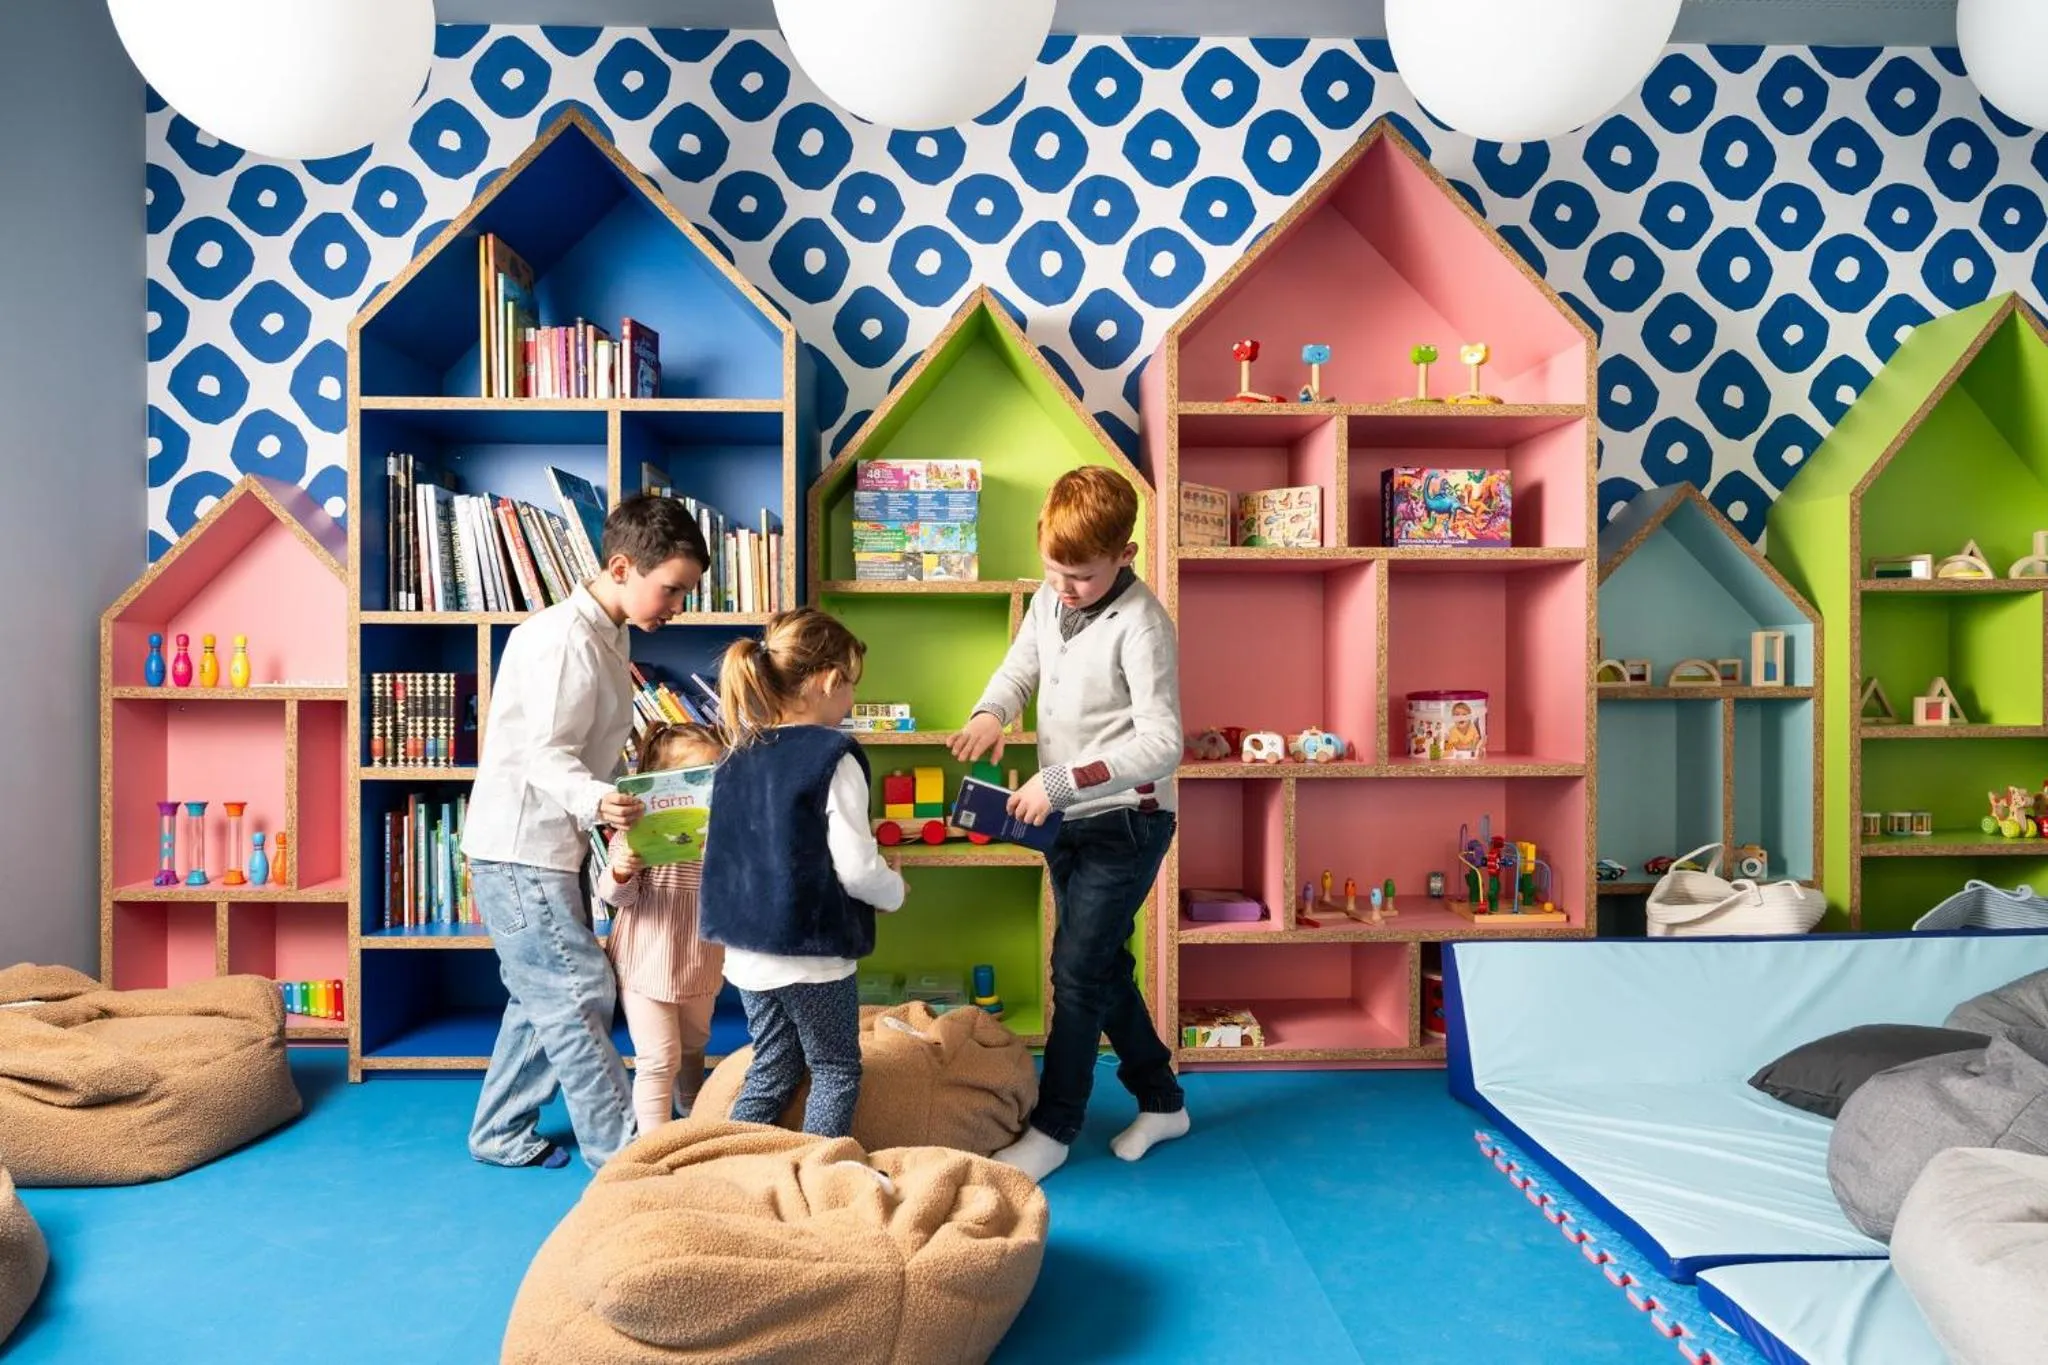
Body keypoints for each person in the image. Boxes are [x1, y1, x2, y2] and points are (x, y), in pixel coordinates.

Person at [950, 465, 1186, 1181]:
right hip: (1066, 821)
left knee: (1076, 972)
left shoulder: (1144, 626)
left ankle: (1056, 1125)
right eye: (1053, 571)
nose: (1063, 588)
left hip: (1129, 820)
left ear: (1126, 555)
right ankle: (1163, 1100)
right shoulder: (1052, 603)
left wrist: (1057, 780)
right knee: (1101, 966)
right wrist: (991, 712)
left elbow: (1162, 741)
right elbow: (1021, 665)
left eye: (1079, 576)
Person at [462, 494, 708, 1170]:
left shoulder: (611, 633)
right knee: (577, 993)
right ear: (623, 567)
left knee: (543, 989)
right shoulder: (564, 639)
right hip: (520, 848)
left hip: (547, 843)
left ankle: (499, 1130)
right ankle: (621, 1154)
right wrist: (605, 800)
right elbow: (543, 755)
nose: (677, 606)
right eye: (672, 589)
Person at [698, 607, 906, 1138]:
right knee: (835, 1069)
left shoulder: (735, 753)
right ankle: (817, 1178)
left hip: (746, 953)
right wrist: (896, 887)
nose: (851, 702)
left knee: (772, 1066)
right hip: (811, 955)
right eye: (851, 687)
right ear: (828, 681)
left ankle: (729, 1163)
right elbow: (858, 870)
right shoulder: (832, 755)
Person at [599, 721, 727, 1136]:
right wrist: (622, 871)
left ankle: (690, 1105)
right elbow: (615, 898)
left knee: (694, 1043)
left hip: (699, 959)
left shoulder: (723, 837)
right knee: (658, 1058)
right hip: (646, 962)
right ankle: (653, 1143)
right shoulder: (632, 835)